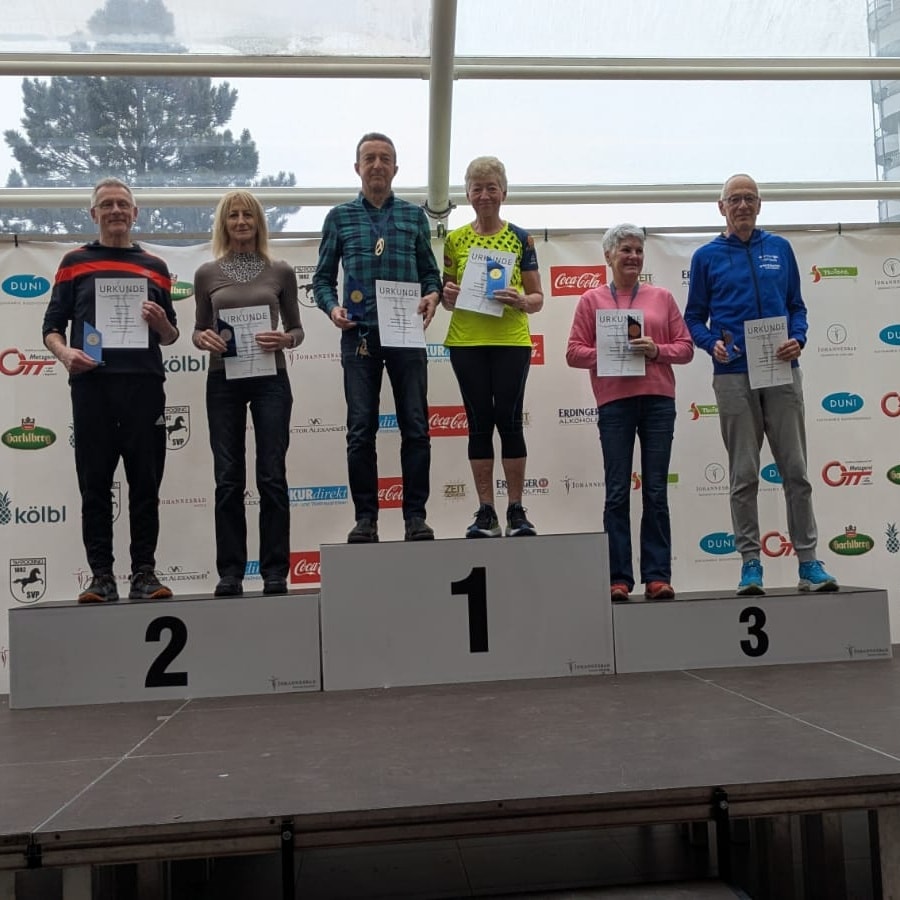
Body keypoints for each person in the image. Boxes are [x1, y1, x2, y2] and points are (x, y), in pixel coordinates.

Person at [684, 173, 838, 596]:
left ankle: (808, 561)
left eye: (749, 198)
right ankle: (751, 563)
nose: (742, 205)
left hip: (782, 371)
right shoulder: (706, 257)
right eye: (734, 199)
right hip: (733, 374)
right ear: (721, 207)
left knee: (796, 471)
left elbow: (796, 307)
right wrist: (711, 343)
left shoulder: (780, 248)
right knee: (744, 474)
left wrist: (798, 338)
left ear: (759, 204)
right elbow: (694, 317)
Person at [42, 176, 179, 603]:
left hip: (144, 387)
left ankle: (144, 573)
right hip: (93, 388)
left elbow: (171, 335)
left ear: (135, 213)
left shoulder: (155, 266)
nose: (116, 210)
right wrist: (65, 354)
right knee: (95, 484)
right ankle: (101, 576)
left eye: (122, 204)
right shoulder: (73, 261)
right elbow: (51, 327)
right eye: (107, 204)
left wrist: (161, 323)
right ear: (94, 214)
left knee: (146, 484)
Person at [313, 132, 442, 543]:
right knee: (360, 430)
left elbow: (431, 274)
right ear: (357, 167)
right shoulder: (339, 217)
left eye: (385, 158)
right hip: (359, 336)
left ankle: (415, 517)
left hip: (406, 333)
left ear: (395, 168)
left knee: (416, 427)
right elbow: (321, 280)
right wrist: (332, 308)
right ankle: (365, 519)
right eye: (369, 158)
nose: (377, 165)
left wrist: (433, 296)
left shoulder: (413, 216)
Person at [566, 224, 694, 601]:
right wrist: (608, 353)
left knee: (655, 491)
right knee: (617, 492)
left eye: (638, 250)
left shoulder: (662, 297)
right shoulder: (591, 300)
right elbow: (573, 352)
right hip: (615, 404)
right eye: (625, 250)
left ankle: (657, 576)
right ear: (608, 255)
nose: (633, 256)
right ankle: (618, 578)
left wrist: (656, 350)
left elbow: (685, 348)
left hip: (658, 402)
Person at [193, 190, 304, 597]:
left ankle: (275, 571)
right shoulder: (206, 273)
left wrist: (285, 340)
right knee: (227, 479)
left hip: (270, 379)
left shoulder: (281, 271)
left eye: (248, 215)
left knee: (272, 475)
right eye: (233, 215)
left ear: (259, 222)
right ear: (223, 223)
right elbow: (198, 329)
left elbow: (297, 329)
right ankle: (230, 572)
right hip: (222, 380)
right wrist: (203, 339)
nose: (241, 222)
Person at [441, 156, 544, 538]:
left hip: (510, 341)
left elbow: (537, 297)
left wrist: (520, 299)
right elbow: (447, 293)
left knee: (510, 421)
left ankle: (516, 509)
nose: (484, 195)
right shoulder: (455, 239)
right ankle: (486, 511)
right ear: (467, 194)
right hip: (466, 342)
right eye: (477, 188)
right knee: (479, 423)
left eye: (491, 188)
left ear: (504, 192)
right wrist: (448, 294)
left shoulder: (521, 237)